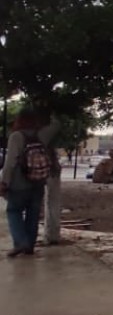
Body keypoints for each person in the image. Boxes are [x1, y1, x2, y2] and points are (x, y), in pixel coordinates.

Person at [0, 108, 60, 257]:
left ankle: (21, 243)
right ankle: (29, 247)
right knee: (33, 214)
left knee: (13, 211)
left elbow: (10, 163)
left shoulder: (16, 136)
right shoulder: (42, 134)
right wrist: (51, 109)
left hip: (18, 184)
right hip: (38, 182)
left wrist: (4, 183)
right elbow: (57, 125)